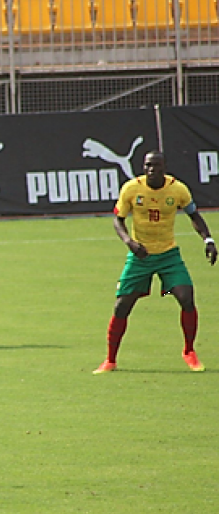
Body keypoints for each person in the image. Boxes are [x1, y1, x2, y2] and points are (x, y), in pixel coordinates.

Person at [94, 150, 216, 374]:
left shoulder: (177, 189)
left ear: (164, 167)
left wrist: (208, 239)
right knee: (122, 306)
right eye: (148, 165)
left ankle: (189, 351)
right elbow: (118, 219)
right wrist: (128, 242)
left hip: (169, 255)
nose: (151, 170)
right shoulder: (131, 189)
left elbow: (194, 215)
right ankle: (110, 360)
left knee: (186, 297)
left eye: (156, 166)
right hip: (140, 255)